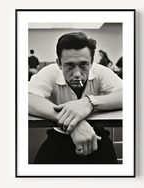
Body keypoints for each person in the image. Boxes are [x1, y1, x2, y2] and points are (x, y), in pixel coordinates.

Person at [28, 32, 122, 164]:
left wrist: (89, 102)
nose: (77, 74)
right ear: (59, 64)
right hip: (59, 136)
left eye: (83, 65)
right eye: (69, 65)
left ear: (91, 63)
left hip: (98, 135)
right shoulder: (50, 71)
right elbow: (25, 98)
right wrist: (74, 122)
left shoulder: (100, 71)